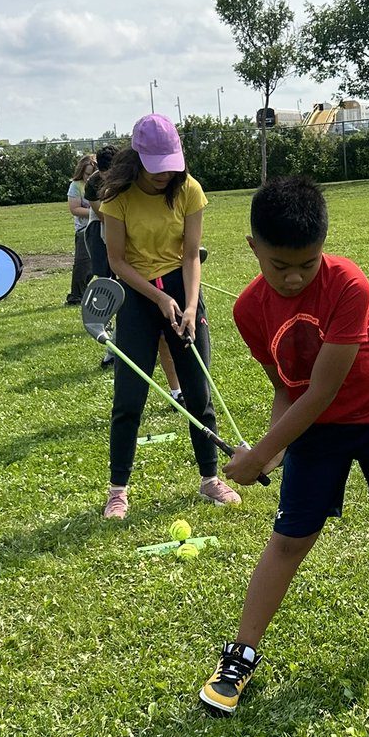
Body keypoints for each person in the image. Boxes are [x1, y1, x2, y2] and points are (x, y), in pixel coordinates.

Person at [199, 176, 369, 715]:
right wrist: (275, 447)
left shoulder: (348, 283)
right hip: (317, 429)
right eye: (279, 264)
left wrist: (261, 454)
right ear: (253, 247)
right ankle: (239, 655)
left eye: (306, 264)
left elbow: (326, 386)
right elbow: (290, 385)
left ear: (322, 250)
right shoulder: (247, 311)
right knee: (288, 539)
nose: (293, 277)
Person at [98, 113, 241, 518]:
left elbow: (191, 254)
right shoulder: (118, 198)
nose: (165, 175)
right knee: (129, 396)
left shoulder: (189, 190)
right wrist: (157, 299)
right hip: (138, 296)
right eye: (156, 166)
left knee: (198, 392)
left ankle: (210, 478)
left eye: (170, 165)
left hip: (183, 288)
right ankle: (118, 489)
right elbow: (118, 262)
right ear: (138, 157)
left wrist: (191, 305)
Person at [86, 142, 186, 393]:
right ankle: (113, 348)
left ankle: (176, 390)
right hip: (109, 248)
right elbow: (106, 227)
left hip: (161, 279)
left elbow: (191, 252)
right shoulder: (101, 188)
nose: (163, 176)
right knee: (113, 297)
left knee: (165, 338)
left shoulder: (183, 189)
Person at [66, 154, 96, 304]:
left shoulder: (101, 183)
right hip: (84, 229)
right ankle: (76, 296)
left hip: (102, 227)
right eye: (87, 174)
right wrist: (97, 212)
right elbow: (75, 209)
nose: (89, 178)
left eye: (92, 174)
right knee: (83, 264)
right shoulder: (76, 186)